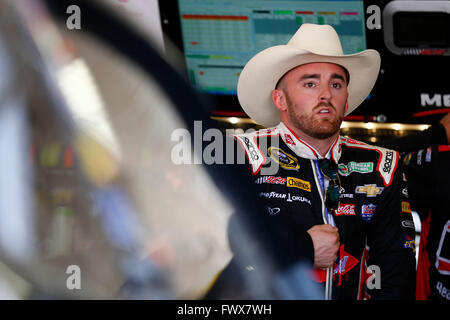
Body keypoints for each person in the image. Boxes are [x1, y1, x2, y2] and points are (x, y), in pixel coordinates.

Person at [209, 24, 416, 300]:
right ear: (280, 99)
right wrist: (303, 248)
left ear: (345, 100)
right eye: (310, 83)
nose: (325, 94)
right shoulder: (240, 153)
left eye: (336, 84)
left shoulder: (382, 165)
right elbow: (209, 246)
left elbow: (397, 276)